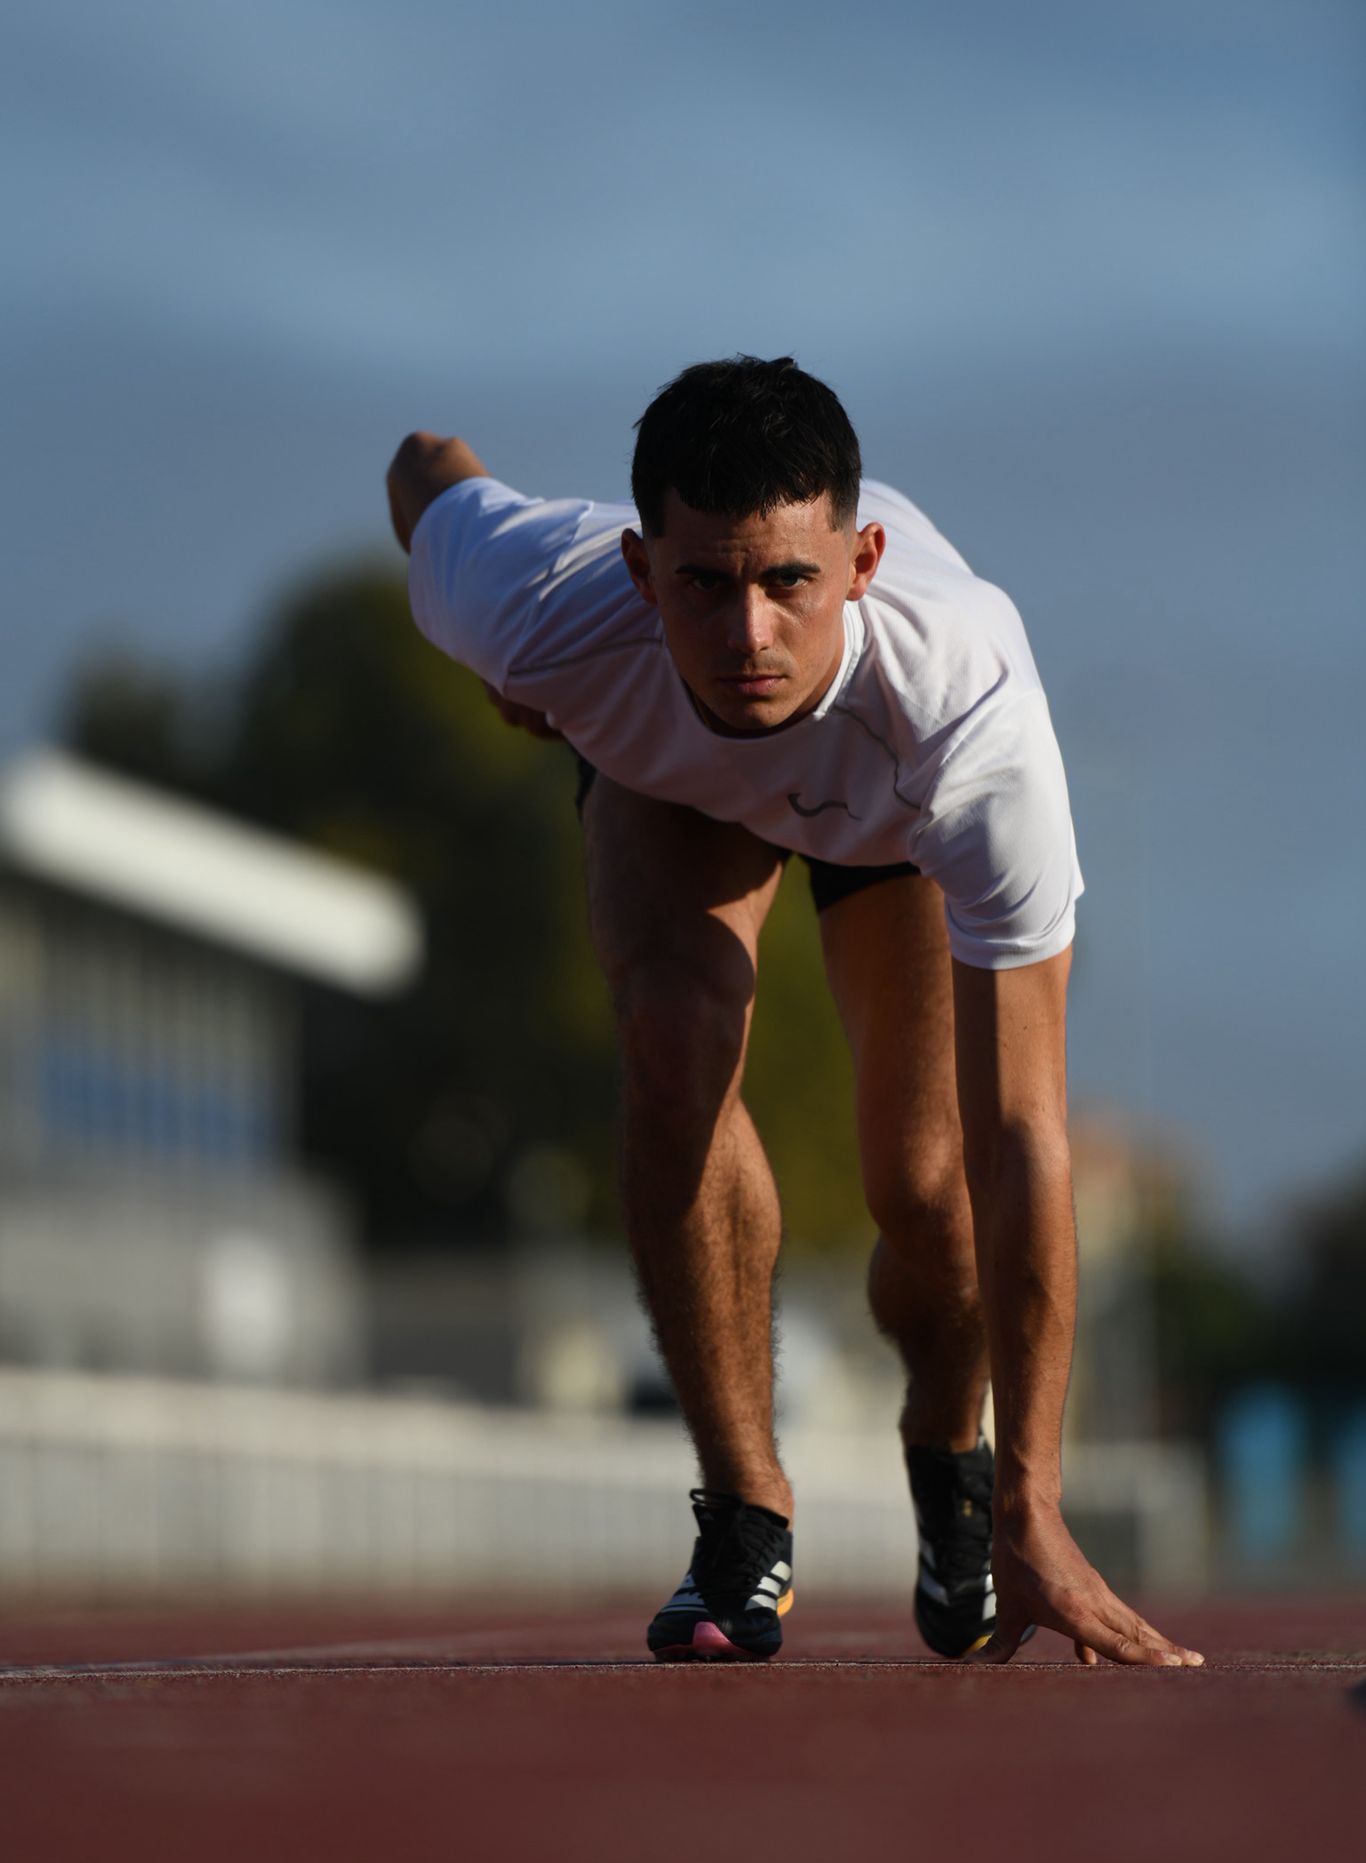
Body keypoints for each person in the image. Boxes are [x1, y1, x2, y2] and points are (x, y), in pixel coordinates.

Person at [386, 355, 1203, 1671]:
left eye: (787, 583)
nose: (747, 637)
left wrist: (1036, 1506)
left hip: (888, 806)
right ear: (642, 571)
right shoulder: (538, 604)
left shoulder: (971, 719)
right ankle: (743, 1513)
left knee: (929, 1189)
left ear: (862, 561)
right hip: (671, 786)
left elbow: (1024, 1137)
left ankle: (950, 1452)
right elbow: (424, 462)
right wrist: (497, 674)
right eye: (703, 586)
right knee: (673, 1040)